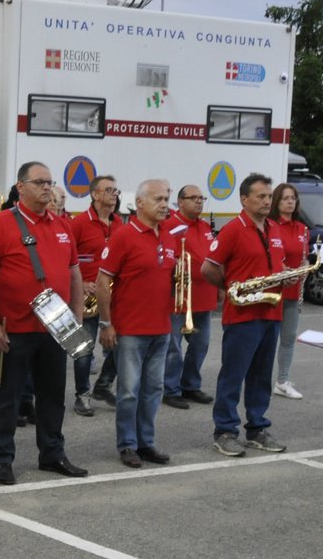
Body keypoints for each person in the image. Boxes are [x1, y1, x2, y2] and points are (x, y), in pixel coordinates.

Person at [0, 161, 88, 485]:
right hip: (15, 328)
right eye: (39, 182)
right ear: (20, 187)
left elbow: (74, 272)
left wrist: (77, 317)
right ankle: (3, 460)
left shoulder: (63, 225)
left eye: (49, 182)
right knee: (8, 398)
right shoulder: (1, 224)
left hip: (57, 327)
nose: (47, 188)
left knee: (53, 395)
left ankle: (52, 453)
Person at [204, 173, 288, 457]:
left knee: (262, 375)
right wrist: (232, 289)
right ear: (244, 199)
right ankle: (225, 431)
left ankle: (256, 428)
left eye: (269, 196)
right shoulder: (232, 230)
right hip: (242, 315)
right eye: (261, 196)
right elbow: (208, 268)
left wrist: (284, 275)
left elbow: (276, 262)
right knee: (233, 375)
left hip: (271, 313)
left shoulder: (274, 228)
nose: (267, 201)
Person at [96, 179, 175, 468]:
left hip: (161, 329)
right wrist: (106, 324)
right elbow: (103, 282)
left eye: (166, 198)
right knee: (129, 391)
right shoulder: (123, 236)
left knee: (153, 390)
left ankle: (146, 443)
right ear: (139, 203)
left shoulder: (168, 237)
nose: (164, 204)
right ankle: (127, 445)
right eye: (158, 199)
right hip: (130, 330)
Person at [160, 185, 218, 408]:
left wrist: (220, 285)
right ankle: (171, 389)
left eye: (201, 198)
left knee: (200, 345)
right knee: (173, 346)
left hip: (204, 297)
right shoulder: (171, 226)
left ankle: (191, 385)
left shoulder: (205, 227)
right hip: (179, 298)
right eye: (193, 198)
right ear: (180, 202)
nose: (198, 201)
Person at [71, 174, 122, 415]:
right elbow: (65, 259)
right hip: (87, 297)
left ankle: (102, 386)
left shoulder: (120, 224)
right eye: (109, 190)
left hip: (114, 298)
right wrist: (81, 284)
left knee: (119, 346)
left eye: (116, 191)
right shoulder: (79, 223)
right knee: (83, 349)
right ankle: (82, 395)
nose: (114, 194)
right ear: (95, 194)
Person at [268, 181, 311, 400]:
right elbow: (272, 257)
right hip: (274, 290)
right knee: (268, 338)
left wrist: (304, 268)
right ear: (277, 201)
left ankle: (282, 380)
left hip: (293, 290)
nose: (290, 201)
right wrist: (285, 272)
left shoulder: (302, 228)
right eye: (285, 198)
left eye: (293, 198)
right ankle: (263, 378)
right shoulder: (270, 225)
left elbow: (303, 256)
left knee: (288, 338)